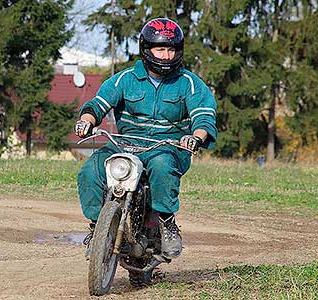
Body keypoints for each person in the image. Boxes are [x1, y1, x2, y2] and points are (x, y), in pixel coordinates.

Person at [75, 18, 217, 260]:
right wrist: (87, 120)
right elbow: (98, 104)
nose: (166, 56)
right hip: (124, 144)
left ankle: (166, 222)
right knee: (90, 171)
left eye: (171, 49)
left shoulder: (189, 83)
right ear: (146, 49)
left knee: (162, 167)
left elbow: (204, 117)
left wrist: (196, 137)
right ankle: (96, 227)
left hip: (167, 148)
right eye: (160, 49)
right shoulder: (125, 78)